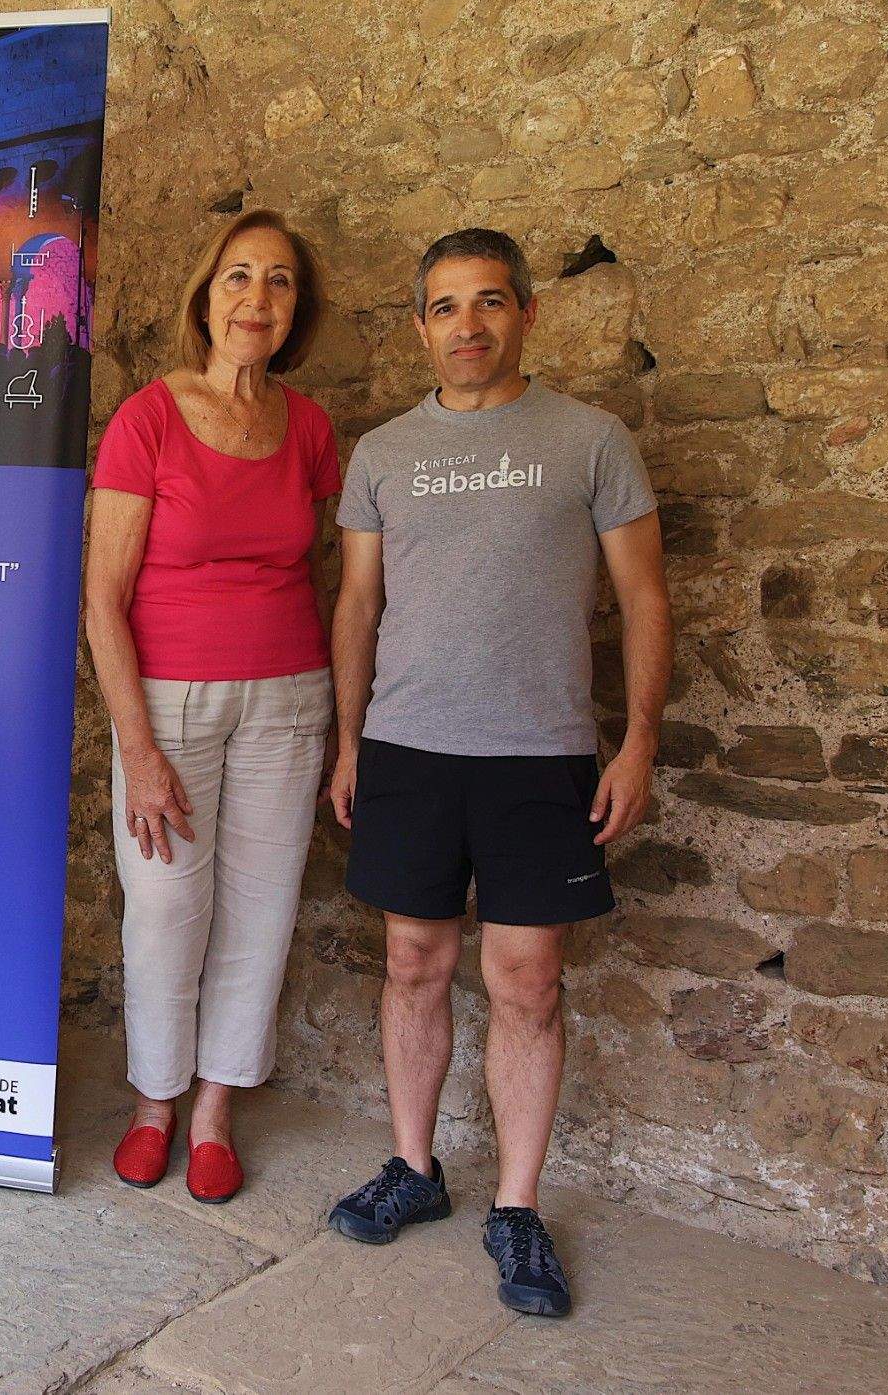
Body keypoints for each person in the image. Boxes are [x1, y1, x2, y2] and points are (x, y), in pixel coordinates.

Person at [323, 228, 672, 1317]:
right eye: (442, 306)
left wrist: (641, 736)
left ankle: (516, 1206)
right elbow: (358, 606)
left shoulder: (592, 437)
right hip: (409, 748)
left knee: (527, 979)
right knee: (413, 960)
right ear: (420, 322)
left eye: (487, 303)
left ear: (526, 313)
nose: (465, 325)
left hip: (541, 752)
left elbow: (647, 597)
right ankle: (415, 1169)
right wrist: (348, 742)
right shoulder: (381, 451)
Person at [85, 208, 340, 1204]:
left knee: (261, 906)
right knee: (163, 908)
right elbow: (103, 598)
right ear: (206, 295)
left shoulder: (309, 425)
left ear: (294, 309)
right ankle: (154, 1101)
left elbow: (305, 570)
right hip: (169, 700)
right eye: (239, 276)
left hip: (287, 697)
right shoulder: (148, 417)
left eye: (278, 281)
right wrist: (138, 746)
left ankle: (217, 1110)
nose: (257, 298)